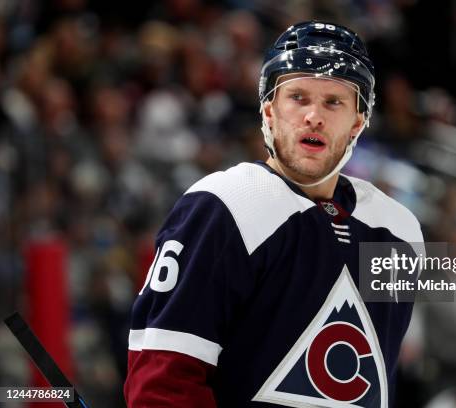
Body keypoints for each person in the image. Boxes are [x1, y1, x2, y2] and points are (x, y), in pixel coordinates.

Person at [124, 21, 424, 407]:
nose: (314, 115)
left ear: (357, 122)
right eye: (298, 97)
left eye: (334, 102)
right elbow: (162, 384)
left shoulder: (399, 230)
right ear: (268, 110)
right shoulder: (224, 205)